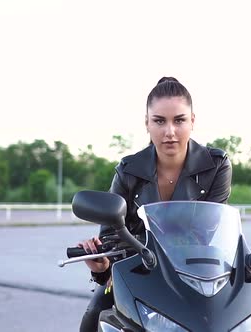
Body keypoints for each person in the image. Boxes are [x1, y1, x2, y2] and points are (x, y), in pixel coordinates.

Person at [77, 77, 232, 331]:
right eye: (159, 121)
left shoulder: (215, 165)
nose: (169, 131)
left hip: (197, 272)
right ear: (147, 123)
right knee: (95, 312)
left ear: (192, 121)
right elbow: (110, 237)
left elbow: (211, 229)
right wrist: (101, 266)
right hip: (138, 272)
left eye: (179, 120)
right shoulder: (128, 169)